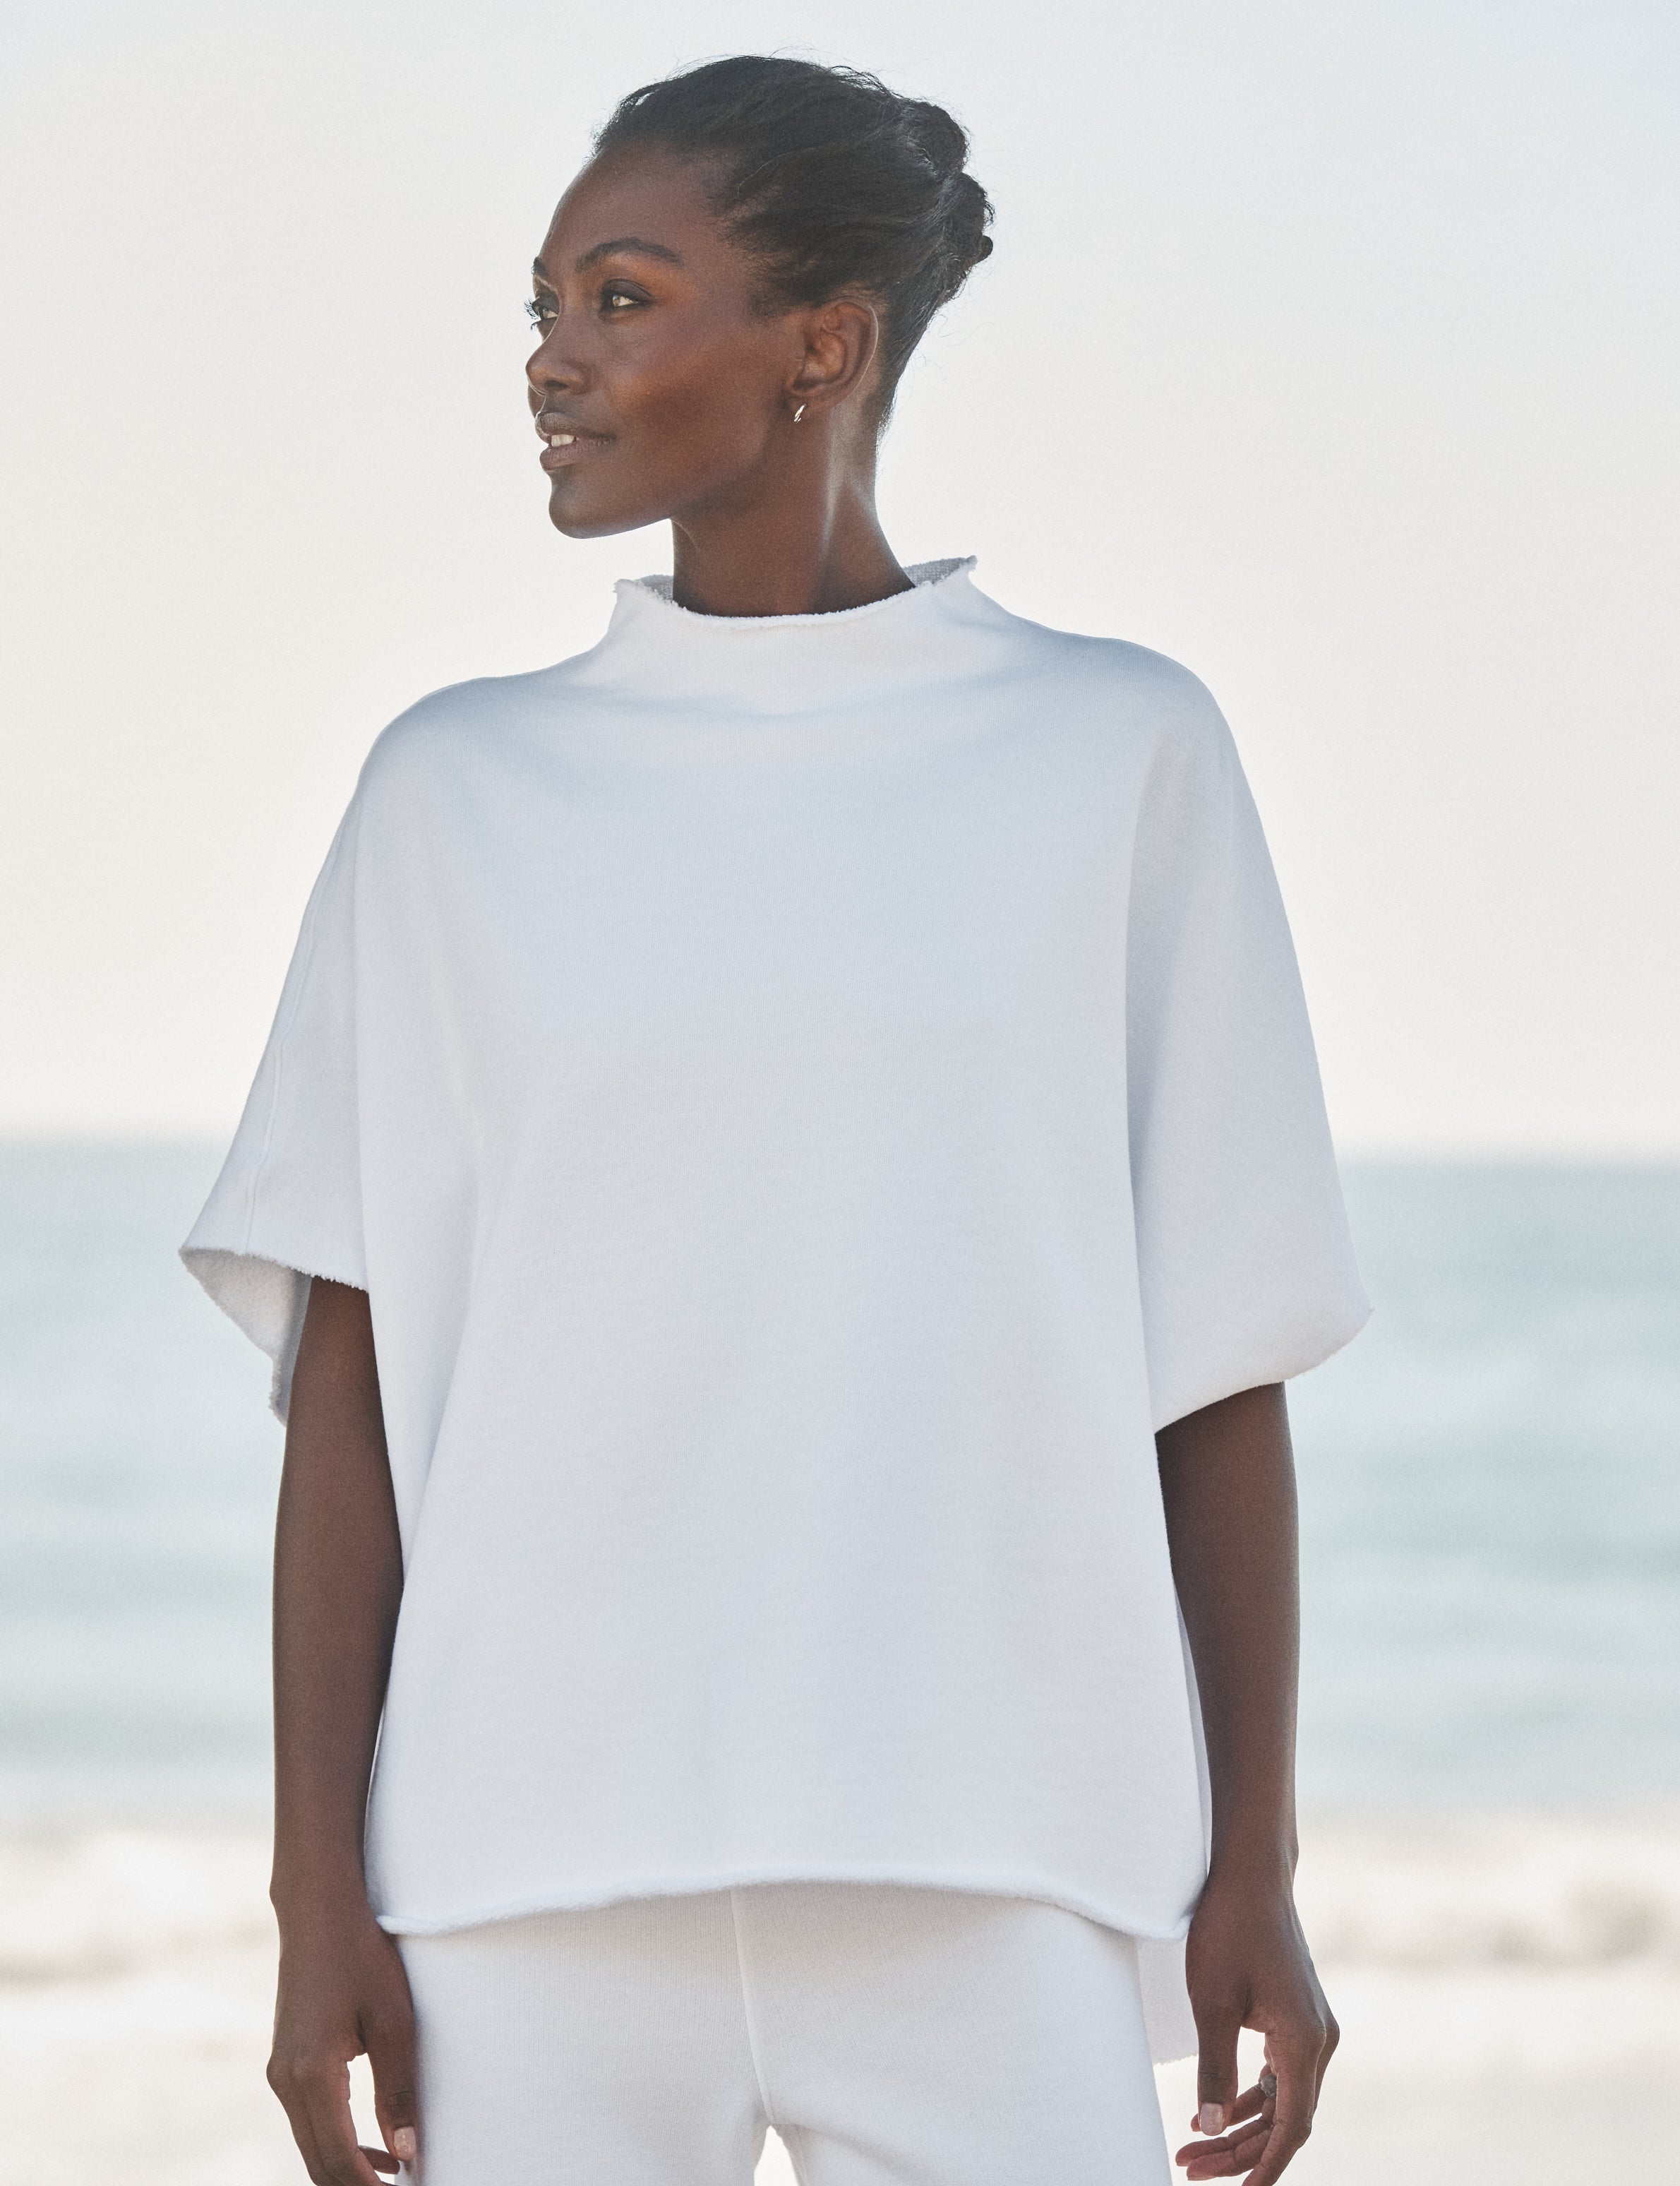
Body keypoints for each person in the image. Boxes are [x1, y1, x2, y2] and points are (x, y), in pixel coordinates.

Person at [184, 53, 1367, 2186]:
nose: (552, 360)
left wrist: (1249, 1868)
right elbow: (348, 1379)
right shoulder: (451, 796)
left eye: (620, 299)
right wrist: (312, 1896)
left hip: (998, 1874)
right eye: (541, 303)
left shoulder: (1117, 758)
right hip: (524, 1890)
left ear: (822, 340)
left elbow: (1211, 1365)